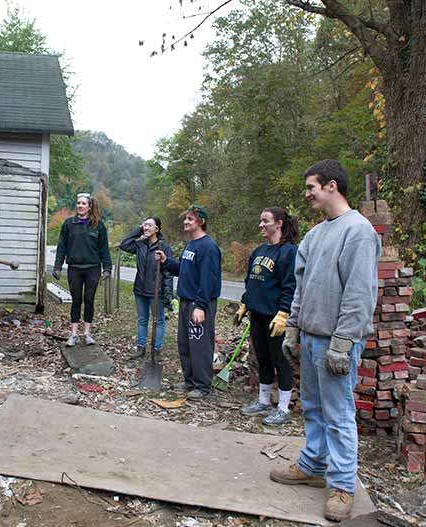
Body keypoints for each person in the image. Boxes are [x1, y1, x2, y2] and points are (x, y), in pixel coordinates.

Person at [269, 160, 380, 522]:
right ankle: (314, 464)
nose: (307, 193)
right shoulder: (316, 235)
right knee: (313, 409)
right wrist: (294, 329)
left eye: (311, 186)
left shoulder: (358, 232)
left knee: (339, 416)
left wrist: (344, 342)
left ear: (332, 186)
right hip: (313, 339)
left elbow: (359, 294)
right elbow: (302, 288)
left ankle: (343, 486)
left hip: (337, 342)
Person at [236, 207, 299, 426]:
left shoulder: (289, 252)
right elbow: (251, 281)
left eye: (265, 221)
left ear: (279, 223)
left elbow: (291, 285)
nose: (261, 225)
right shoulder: (259, 251)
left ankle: (283, 409)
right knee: (262, 358)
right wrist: (245, 302)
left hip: (276, 318)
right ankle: (263, 401)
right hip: (258, 315)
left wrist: (284, 313)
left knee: (280, 362)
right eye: (260, 221)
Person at [155, 205, 222, 400]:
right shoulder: (190, 244)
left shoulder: (208, 247)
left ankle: (203, 387)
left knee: (200, 345)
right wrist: (167, 261)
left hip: (199, 304)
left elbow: (207, 279)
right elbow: (184, 269)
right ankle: (190, 380)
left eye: (190, 219)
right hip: (185, 301)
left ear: (200, 222)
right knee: (184, 343)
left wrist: (200, 305)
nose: (186, 222)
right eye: (185, 218)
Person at [53, 193, 112, 346]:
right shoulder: (68, 224)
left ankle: (86, 333)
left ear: (90, 206)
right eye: (78, 203)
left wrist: (107, 268)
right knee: (76, 300)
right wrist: (57, 267)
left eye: (83, 204)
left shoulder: (98, 225)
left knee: (89, 300)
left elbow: (104, 249)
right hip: (75, 268)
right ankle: (73, 334)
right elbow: (62, 247)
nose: (80, 206)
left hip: (92, 268)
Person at [120, 217, 174, 360]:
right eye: (144, 225)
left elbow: (169, 272)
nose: (146, 227)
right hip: (140, 289)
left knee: (159, 320)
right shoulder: (140, 245)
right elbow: (124, 244)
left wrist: (168, 292)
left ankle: (156, 350)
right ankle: (141, 348)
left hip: (156, 291)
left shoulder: (164, 248)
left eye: (150, 225)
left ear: (157, 229)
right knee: (142, 319)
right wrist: (140, 230)